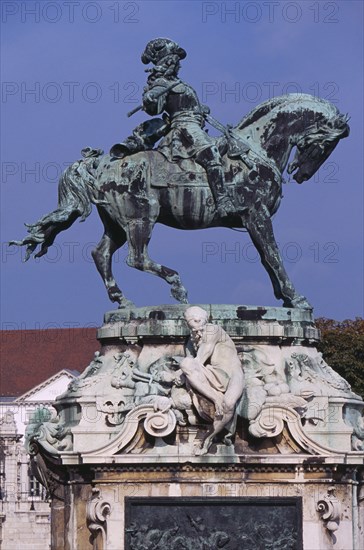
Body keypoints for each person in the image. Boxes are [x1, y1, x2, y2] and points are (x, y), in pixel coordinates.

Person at [113, 38, 236, 217]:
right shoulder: (162, 83)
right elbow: (155, 108)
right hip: (184, 128)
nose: (179, 65)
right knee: (211, 155)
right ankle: (223, 201)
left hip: (195, 125)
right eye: (176, 61)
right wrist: (150, 100)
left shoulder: (179, 84)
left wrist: (199, 110)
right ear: (169, 61)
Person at [181, 306, 245, 454]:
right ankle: (215, 397)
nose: (197, 328)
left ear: (205, 320)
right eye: (192, 323)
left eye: (198, 321)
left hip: (231, 374)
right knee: (185, 364)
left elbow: (203, 354)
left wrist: (177, 373)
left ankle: (210, 437)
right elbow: (191, 364)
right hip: (211, 373)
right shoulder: (191, 341)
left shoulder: (213, 329)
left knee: (228, 404)